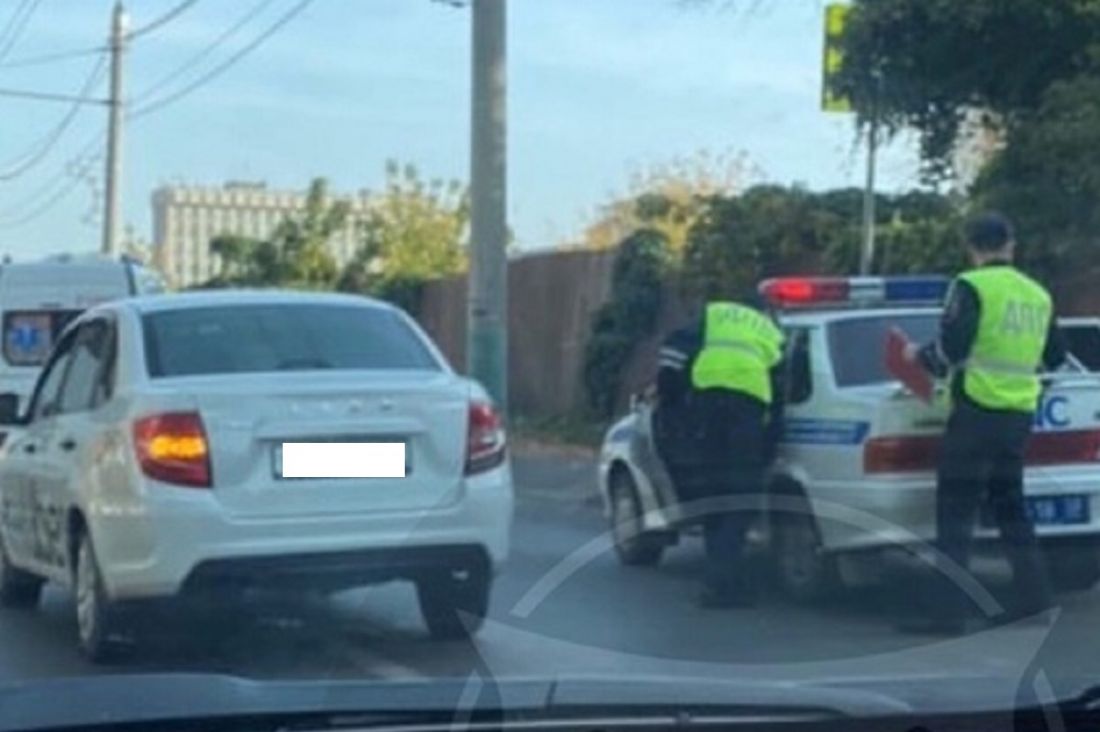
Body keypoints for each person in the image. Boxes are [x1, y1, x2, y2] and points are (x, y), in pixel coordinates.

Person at [897, 212, 1066, 634]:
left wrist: (916, 356)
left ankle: (949, 614)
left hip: (976, 410)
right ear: (1011, 245)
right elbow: (1056, 355)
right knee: (1011, 509)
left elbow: (952, 348)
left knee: (955, 514)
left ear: (972, 248)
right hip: (1018, 415)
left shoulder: (971, 285)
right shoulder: (1038, 294)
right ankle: (1034, 602)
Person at [656, 298, 785, 608]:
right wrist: (770, 441)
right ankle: (723, 583)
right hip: (747, 409)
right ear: (763, 311)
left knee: (715, 491)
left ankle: (719, 581)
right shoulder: (771, 330)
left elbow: (673, 353)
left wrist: (670, 400)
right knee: (741, 496)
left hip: (707, 405)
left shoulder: (714, 314)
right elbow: (782, 387)